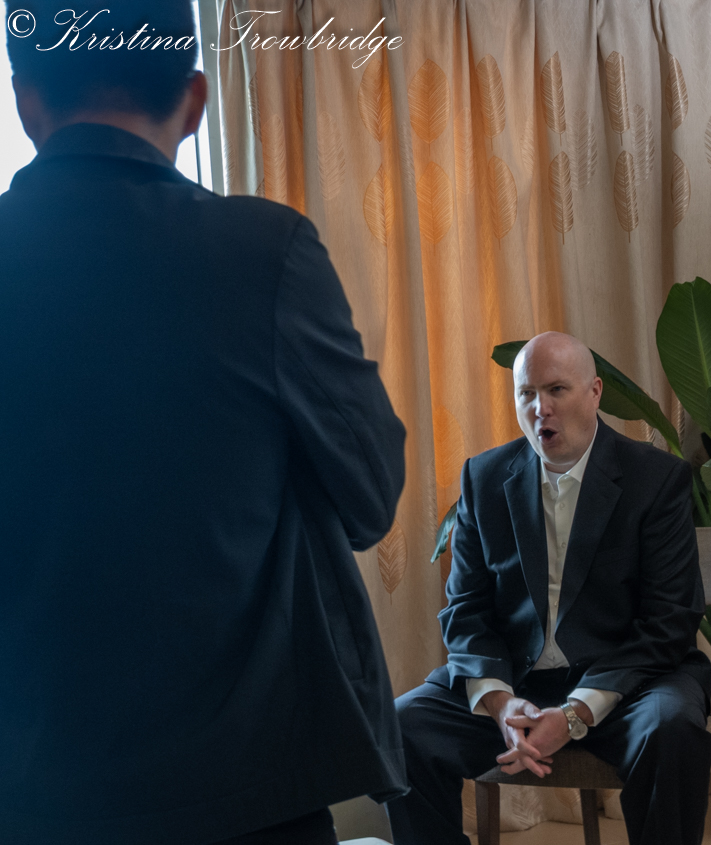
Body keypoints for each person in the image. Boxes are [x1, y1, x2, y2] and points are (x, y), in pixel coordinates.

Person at [0, 2, 407, 843]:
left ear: (24, 99)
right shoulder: (264, 253)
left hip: (29, 785)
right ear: (194, 101)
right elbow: (370, 495)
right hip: (243, 783)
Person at [387, 332, 711, 845]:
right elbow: (466, 610)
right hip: (518, 683)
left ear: (595, 392)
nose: (540, 408)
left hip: (628, 683)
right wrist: (501, 703)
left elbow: (669, 622)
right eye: (527, 393)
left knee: (672, 728)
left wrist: (575, 712)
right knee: (404, 724)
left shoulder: (655, 478)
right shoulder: (483, 478)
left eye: (557, 389)